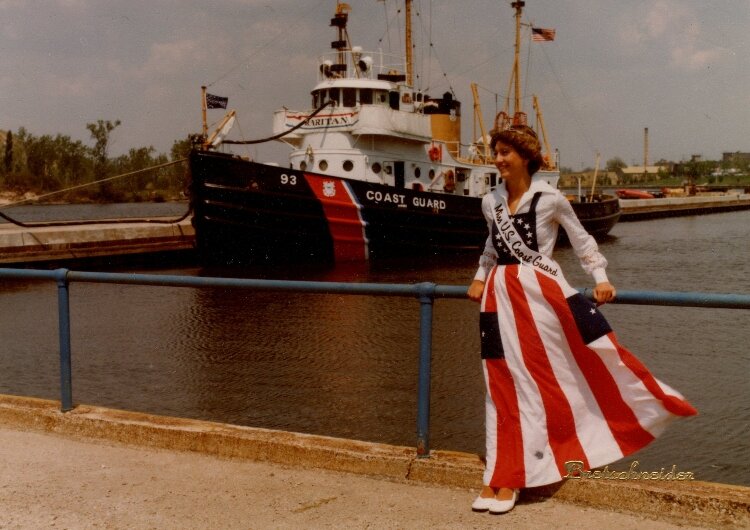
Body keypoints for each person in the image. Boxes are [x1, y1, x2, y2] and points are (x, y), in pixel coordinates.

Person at [466, 125, 697, 515]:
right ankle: (498, 474)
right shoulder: (490, 201)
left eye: (506, 152)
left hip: (538, 297)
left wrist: (601, 278)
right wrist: (478, 275)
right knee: (499, 383)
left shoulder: (550, 199)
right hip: (497, 298)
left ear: (525, 156)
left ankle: (518, 477)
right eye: (496, 152)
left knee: (534, 383)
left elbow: (582, 239)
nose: (498, 159)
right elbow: (493, 244)